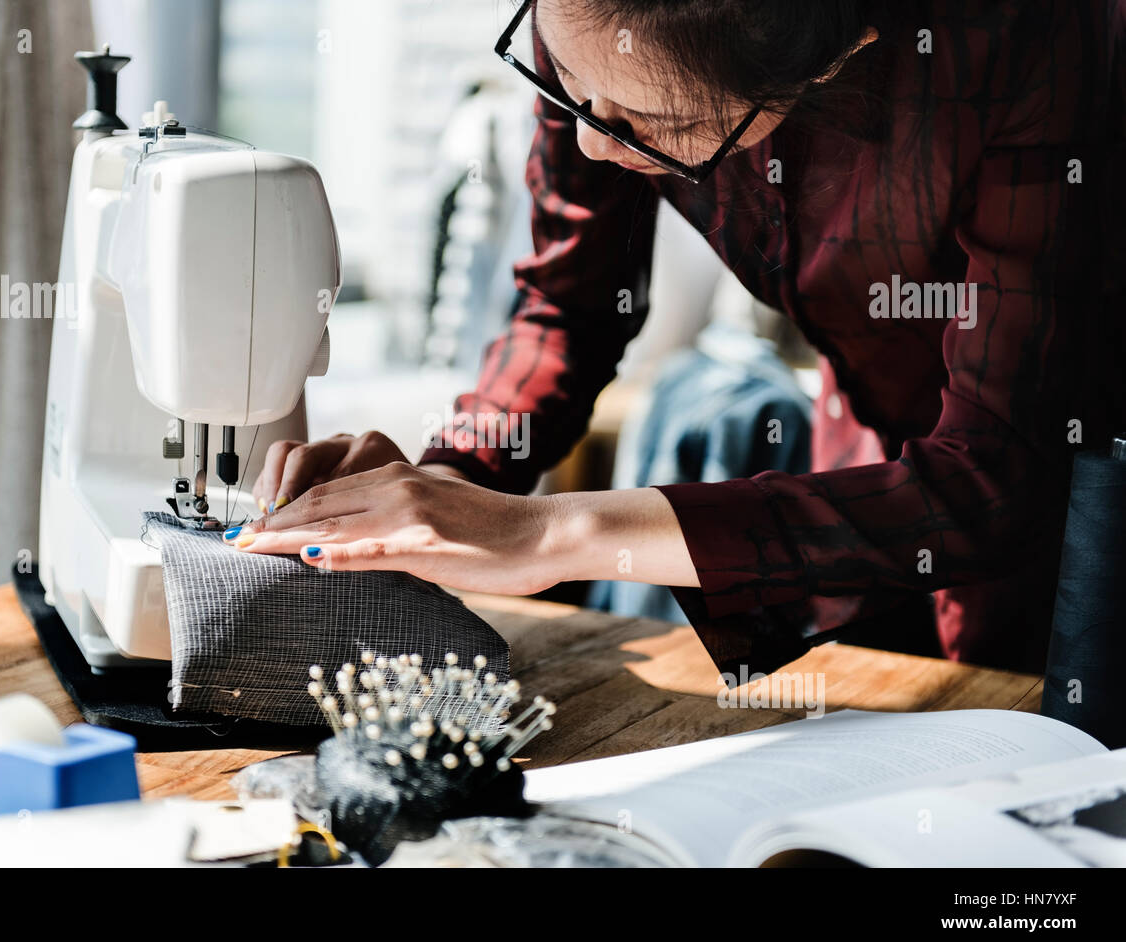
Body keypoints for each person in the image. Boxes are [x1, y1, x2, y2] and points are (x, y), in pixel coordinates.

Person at [225, 0, 1126, 675]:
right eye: (565, 82)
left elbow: (994, 477)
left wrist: (553, 533)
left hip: (1069, 484)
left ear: (841, 56)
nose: (586, 138)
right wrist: (455, 476)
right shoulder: (597, 36)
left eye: (654, 126)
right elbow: (569, 306)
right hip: (864, 448)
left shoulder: (1029, 41)